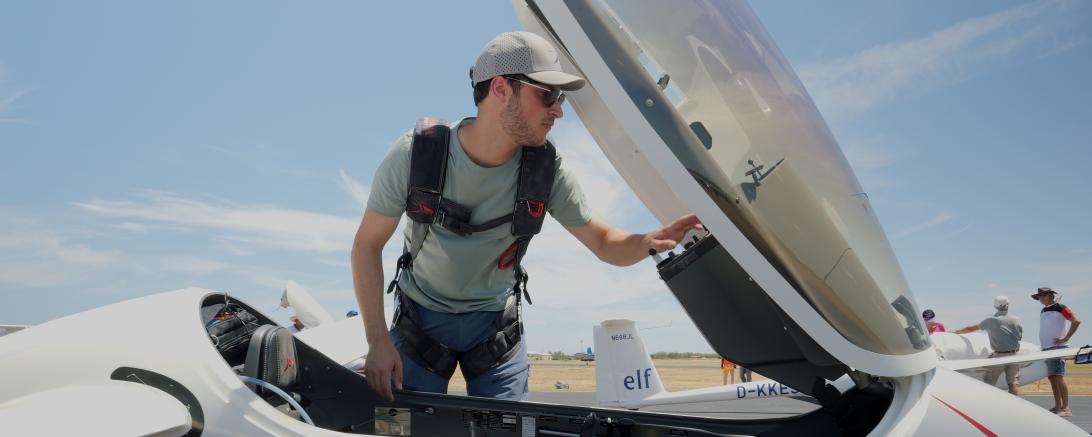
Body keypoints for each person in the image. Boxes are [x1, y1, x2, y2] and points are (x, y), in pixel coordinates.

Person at [351, 31, 703, 402]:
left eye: (560, 97)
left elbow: (603, 241)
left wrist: (647, 242)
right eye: (547, 95)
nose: (558, 110)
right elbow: (366, 247)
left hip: (494, 330)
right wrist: (376, 341)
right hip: (418, 323)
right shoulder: (416, 155)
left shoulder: (545, 171)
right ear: (501, 89)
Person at [954, 296, 1023, 395]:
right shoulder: (1016, 319)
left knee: (988, 384)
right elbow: (1019, 337)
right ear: (1007, 305)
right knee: (1013, 384)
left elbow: (971, 329)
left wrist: (956, 332)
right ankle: (1014, 407)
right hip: (1015, 355)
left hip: (999, 356)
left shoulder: (991, 320)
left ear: (995, 306)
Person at [1032, 287, 1082, 417]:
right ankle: (1058, 406)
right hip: (1047, 349)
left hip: (1057, 349)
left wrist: (1065, 338)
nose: (1041, 298)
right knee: (1052, 378)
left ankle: (1066, 408)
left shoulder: (1060, 307)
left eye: (1044, 295)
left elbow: (1076, 321)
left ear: (1051, 295)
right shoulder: (1043, 310)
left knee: (1059, 378)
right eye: (1039, 296)